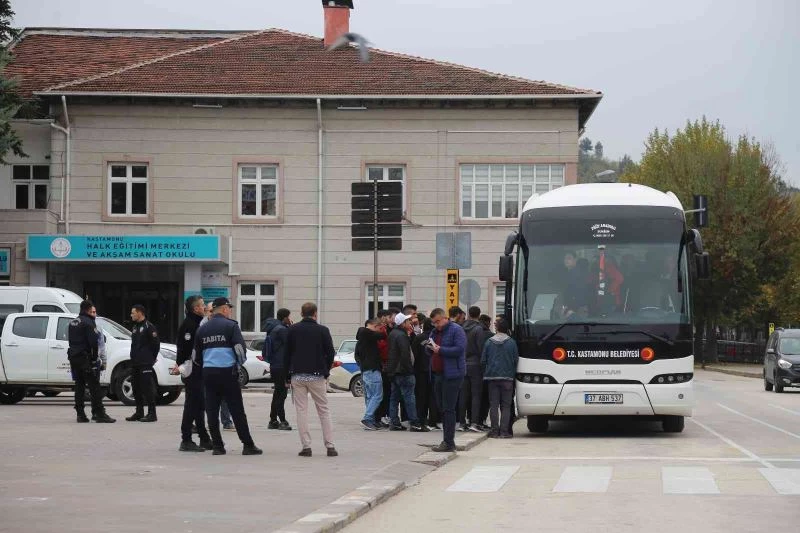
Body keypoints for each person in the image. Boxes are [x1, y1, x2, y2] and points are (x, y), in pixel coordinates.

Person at [195, 297, 262, 456]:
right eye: (229, 308)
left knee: (212, 410)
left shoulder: (202, 329)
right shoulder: (231, 326)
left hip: (209, 373)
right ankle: (247, 445)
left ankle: (218, 446)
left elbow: (195, 357)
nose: (230, 311)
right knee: (237, 410)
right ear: (224, 309)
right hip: (227, 373)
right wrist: (238, 364)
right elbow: (240, 351)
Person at [285, 302, 338, 458]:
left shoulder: (292, 330)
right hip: (317, 375)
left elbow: (287, 354)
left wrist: (287, 376)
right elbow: (330, 352)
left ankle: (306, 446)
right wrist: (326, 371)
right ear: (315, 313)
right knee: (323, 410)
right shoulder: (322, 330)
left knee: (301, 411)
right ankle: (330, 446)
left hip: (298, 375)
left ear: (301, 313)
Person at [173, 295, 212, 452]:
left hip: (197, 369)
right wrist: (180, 365)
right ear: (195, 308)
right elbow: (187, 350)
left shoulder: (197, 323)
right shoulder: (190, 325)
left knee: (199, 405)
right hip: (192, 370)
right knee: (192, 405)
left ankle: (204, 437)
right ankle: (186, 439)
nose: (204, 308)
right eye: (202, 305)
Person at [68, 300, 115, 424]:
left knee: (79, 387)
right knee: (95, 387)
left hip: (74, 358)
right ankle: (99, 413)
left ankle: (80, 414)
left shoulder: (73, 322)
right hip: (86, 360)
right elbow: (94, 343)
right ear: (89, 310)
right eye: (92, 311)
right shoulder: (89, 323)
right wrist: (94, 360)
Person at [427, 308, 467, 453]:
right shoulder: (435, 332)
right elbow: (431, 350)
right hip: (437, 374)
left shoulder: (456, 330)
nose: (436, 325)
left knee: (448, 408)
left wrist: (440, 350)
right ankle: (447, 440)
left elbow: (459, 349)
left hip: (452, 374)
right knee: (442, 408)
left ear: (445, 318)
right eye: (433, 323)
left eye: (437, 321)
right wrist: (429, 347)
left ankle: (448, 442)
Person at [387, 313, 427, 432]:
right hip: (404, 372)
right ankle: (414, 423)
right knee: (409, 398)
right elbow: (405, 354)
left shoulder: (393, 334)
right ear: (402, 323)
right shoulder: (402, 336)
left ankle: (394, 422)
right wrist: (409, 369)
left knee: (394, 398)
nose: (410, 323)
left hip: (394, 371)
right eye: (408, 321)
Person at [481, 318, 519, 438]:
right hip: (508, 378)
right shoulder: (512, 343)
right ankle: (504, 432)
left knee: (493, 405)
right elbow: (516, 360)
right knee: (506, 406)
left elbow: (483, 360)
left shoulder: (488, 342)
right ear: (507, 329)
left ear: (496, 328)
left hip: (492, 378)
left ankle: (494, 431)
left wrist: (487, 372)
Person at [200, 302, 234, 431]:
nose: (211, 314)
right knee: (210, 397)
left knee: (225, 397)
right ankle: (212, 422)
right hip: (208, 367)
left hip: (226, 367)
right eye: (209, 311)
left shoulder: (229, 325)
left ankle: (226, 421)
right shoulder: (202, 326)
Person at [126, 304, 160, 423]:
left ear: (140, 313)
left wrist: (152, 358)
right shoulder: (135, 327)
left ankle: (152, 413)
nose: (131, 315)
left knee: (147, 388)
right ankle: (139, 412)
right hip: (135, 362)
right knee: (136, 388)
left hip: (145, 363)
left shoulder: (149, 327)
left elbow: (156, 344)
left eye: (133, 313)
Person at [263, 308, 292, 431]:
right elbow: (291, 344)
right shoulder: (281, 330)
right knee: (282, 394)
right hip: (281, 366)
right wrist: (291, 327)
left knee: (277, 393)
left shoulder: (274, 329)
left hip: (275, 365)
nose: (290, 319)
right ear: (285, 317)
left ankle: (273, 420)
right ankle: (282, 421)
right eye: (289, 317)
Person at [355, 318, 386, 430]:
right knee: (377, 395)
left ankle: (370, 420)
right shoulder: (367, 333)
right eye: (378, 328)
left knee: (370, 396)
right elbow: (382, 335)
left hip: (365, 370)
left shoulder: (362, 337)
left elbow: (357, 355)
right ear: (373, 325)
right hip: (372, 369)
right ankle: (367, 418)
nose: (379, 330)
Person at [459, 306, 485, 432]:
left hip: (463, 363)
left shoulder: (461, 328)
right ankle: (474, 422)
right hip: (475, 365)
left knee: (463, 395)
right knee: (475, 395)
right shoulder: (478, 329)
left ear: (469, 314)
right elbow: (481, 348)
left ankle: (461, 423)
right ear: (479, 315)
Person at [412, 317, 438, 430]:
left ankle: (421, 420)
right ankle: (433, 420)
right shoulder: (436, 338)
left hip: (420, 372)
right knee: (433, 397)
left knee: (421, 397)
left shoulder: (418, 338)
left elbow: (414, 355)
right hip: (434, 371)